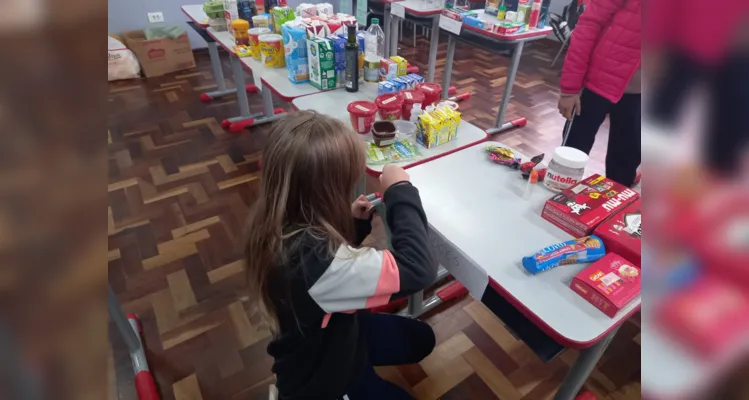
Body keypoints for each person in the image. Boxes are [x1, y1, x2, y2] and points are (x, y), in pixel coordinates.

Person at [244, 111, 437, 400]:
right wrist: (400, 191)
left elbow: (328, 256)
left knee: (421, 339)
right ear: (327, 192)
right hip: (325, 384)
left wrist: (353, 227)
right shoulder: (320, 267)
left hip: (335, 334)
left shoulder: (277, 221)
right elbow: (419, 268)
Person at [557, 0, 641, 187]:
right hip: (596, 85)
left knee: (623, 171)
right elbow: (587, 27)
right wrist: (569, 90)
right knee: (568, 164)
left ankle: (610, 214)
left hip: (642, 96)